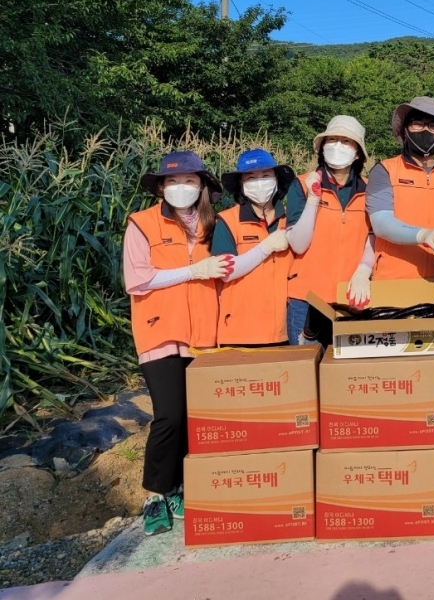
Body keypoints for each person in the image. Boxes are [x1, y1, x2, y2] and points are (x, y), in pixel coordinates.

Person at [122, 151, 229, 536]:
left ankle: (180, 486)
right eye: (172, 182)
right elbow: (138, 279)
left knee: (194, 415)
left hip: (203, 333)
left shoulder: (213, 225)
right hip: (159, 331)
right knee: (169, 415)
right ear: (161, 187)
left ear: (202, 186)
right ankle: (154, 494)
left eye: (188, 181)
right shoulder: (142, 223)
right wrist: (193, 270)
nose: (180, 188)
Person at [365, 96, 434, 288]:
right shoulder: (385, 170)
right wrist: (422, 235)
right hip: (395, 282)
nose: (425, 130)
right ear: (405, 131)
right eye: (417, 124)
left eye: (433, 126)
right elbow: (381, 223)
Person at [285, 115, 374, 344]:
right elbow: (298, 242)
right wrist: (314, 198)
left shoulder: (370, 190)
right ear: (322, 147)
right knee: (305, 374)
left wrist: (364, 270)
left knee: (344, 375)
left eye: (346, 141)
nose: (337, 146)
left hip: (351, 298)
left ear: (358, 153)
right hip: (306, 298)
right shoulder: (302, 184)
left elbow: (374, 237)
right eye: (332, 139)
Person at [211, 148, 295, 347]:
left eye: (266, 175)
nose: (259, 182)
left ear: (276, 180)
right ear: (241, 184)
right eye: (251, 177)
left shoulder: (292, 219)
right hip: (241, 332)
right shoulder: (228, 221)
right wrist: (265, 247)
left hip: (285, 331)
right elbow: (226, 271)